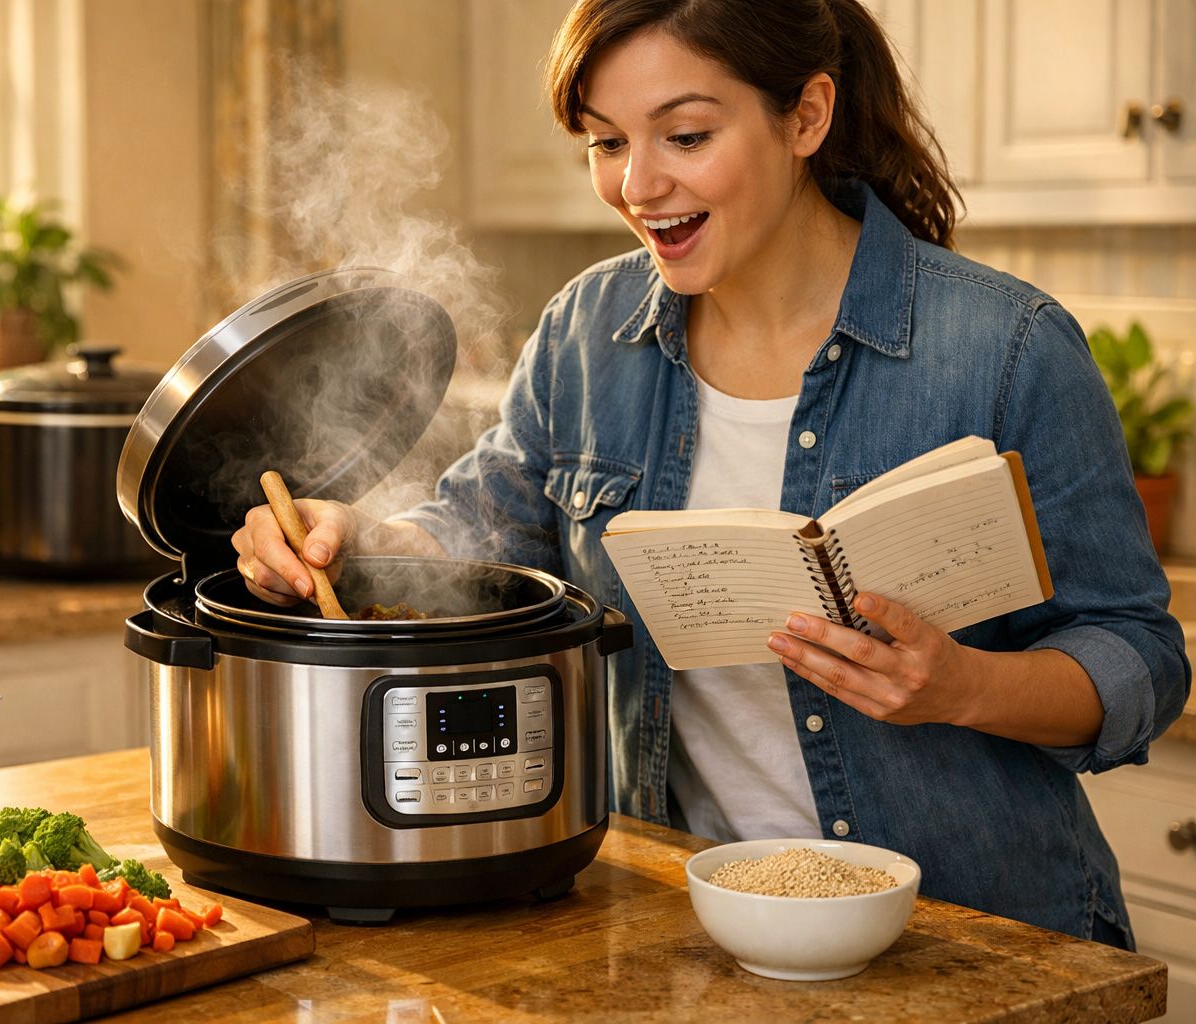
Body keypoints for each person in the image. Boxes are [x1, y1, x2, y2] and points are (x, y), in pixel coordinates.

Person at [231, 0, 1190, 947]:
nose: (638, 185)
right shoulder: (585, 336)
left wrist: (961, 686)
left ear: (806, 116)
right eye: (607, 143)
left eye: (685, 136)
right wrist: (359, 541)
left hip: (976, 936)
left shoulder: (1007, 348)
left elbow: (1140, 656)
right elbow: (482, 532)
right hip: (688, 928)